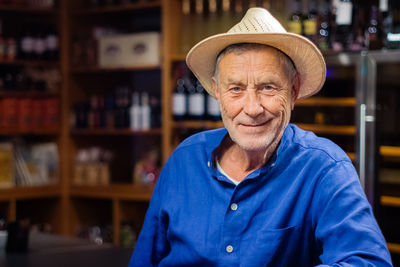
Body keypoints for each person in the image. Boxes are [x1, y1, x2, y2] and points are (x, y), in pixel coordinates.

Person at [129, 8, 392, 266]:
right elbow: (145, 259)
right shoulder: (184, 159)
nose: (252, 109)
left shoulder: (323, 167)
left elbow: (368, 261)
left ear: (293, 91)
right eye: (236, 89)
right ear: (218, 92)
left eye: (268, 87)